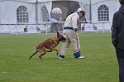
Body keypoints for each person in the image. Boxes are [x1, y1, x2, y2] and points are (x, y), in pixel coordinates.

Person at [112, 0, 124, 81]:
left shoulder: (116, 15)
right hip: (120, 44)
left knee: (122, 67)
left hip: (121, 45)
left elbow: (114, 31)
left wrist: (115, 42)